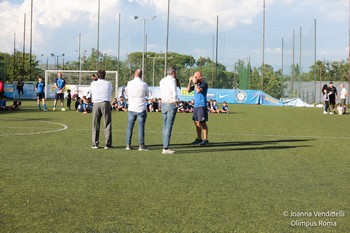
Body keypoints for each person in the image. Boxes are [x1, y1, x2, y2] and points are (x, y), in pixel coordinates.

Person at [125, 69, 150, 151]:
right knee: (141, 127)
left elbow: (127, 93)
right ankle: (141, 145)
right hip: (141, 108)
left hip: (131, 108)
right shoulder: (144, 84)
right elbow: (147, 94)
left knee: (129, 127)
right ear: (141, 75)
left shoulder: (129, 83)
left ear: (134, 74)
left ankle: (128, 145)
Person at [90, 70, 113, 149]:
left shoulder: (93, 83)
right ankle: (108, 144)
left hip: (96, 104)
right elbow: (110, 91)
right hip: (105, 103)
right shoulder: (108, 83)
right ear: (105, 75)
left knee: (95, 124)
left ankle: (95, 143)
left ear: (97, 76)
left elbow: (91, 92)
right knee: (107, 124)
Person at [159, 67, 179, 154]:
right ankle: (165, 147)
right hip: (170, 103)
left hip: (163, 103)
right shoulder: (172, 80)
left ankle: (165, 145)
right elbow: (174, 92)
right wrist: (176, 101)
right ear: (173, 73)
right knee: (169, 126)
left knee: (165, 125)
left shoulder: (162, 80)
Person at [187, 71, 209, 146]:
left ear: (200, 77)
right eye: (194, 77)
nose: (194, 78)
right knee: (196, 122)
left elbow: (198, 91)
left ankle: (205, 139)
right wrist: (190, 82)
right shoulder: (197, 84)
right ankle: (199, 138)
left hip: (202, 106)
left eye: (196, 77)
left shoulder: (203, 84)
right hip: (196, 106)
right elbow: (188, 90)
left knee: (203, 122)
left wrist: (195, 83)